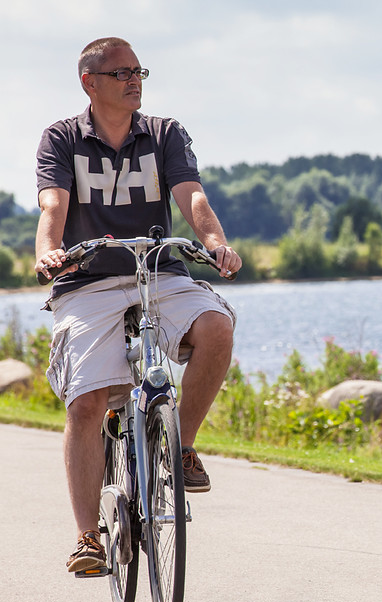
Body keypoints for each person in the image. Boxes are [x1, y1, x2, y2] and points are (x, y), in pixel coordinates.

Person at [34, 37, 242, 572]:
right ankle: (87, 537)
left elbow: (191, 195)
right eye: (122, 71)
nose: (135, 80)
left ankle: (182, 448)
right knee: (86, 402)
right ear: (90, 82)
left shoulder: (164, 133)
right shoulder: (61, 138)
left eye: (139, 70)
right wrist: (48, 252)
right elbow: (53, 203)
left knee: (217, 327)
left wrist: (214, 242)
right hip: (87, 283)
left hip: (158, 271)